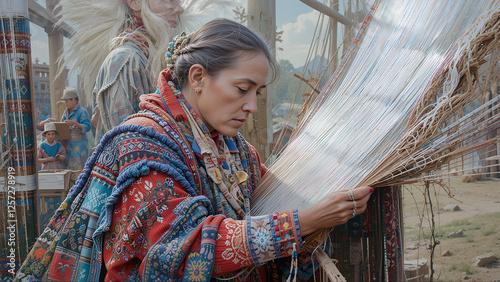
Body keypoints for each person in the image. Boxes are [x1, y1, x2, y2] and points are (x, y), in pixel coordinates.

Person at [15, 19, 373, 281]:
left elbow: (276, 199)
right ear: (198, 78)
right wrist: (304, 222)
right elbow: (180, 251)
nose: (252, 106)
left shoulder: (235, 151)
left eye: (258, 93)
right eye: (242, 88)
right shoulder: (140, 148)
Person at [55, 0, 217, 144]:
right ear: (135, 3)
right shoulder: (125, 61)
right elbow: (129, 146)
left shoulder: (152, 59)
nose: (179, 9)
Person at [60, 87, 92, 171]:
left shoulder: (82, 112)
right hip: (69, 148)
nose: (65, 103)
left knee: (80, 172)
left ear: (73, 99)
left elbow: (88, 127)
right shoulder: (65, 112)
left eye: (67, 101)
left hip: (79, 149)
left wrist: (75, 124)